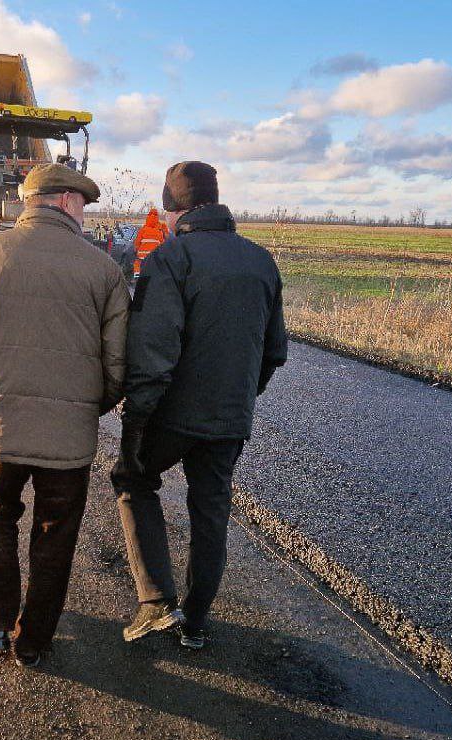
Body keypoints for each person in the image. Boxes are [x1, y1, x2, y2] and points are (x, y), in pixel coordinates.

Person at [0, 164, 129, 667]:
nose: (85, 214)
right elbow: (117, 364)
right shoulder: (103, 270)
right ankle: (35, 640)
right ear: (65, 202)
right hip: (69, 438)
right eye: (82, 204)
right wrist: (87, 406)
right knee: (55, 532)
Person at [114, 161, 287, 651]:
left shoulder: (171, 258)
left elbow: (153, 350)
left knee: (132, 479)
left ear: (174, 210)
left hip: (171, 413)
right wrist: (238, 398)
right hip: (230, 417)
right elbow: (274, 351)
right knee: (210, 510)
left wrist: (138, 414)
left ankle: (155, 601)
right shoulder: (261, 261)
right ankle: (195, 621)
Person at [132, 207, 167, 277]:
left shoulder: (143, 229)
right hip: (154, 256)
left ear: (147, 217)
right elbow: (163, 243)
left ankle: (137, 276)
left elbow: (137, 242)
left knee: (137, 263)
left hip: (142, 255)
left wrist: (135, 250)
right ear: (157, 218)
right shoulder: (159, 231)